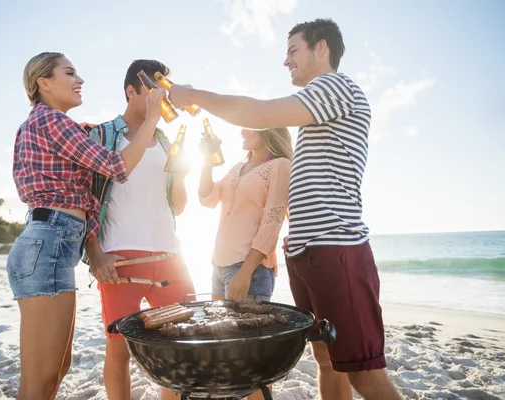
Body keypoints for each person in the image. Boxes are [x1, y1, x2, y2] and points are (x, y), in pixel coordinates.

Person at [168, 19, 402, 400]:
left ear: (320, 48)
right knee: (327, 360)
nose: (286, 61)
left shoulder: (335, 86)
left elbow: (259, 114)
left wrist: (196, 96)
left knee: (363, 372)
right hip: (307, 252)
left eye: (293, 50)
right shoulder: (318, 107)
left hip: (336, 247)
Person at [7, 52, 165, 400]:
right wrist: (152, 118)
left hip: (53, 246)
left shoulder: (51, 123)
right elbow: (116, 167)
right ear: (43, 83)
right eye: (69, 73)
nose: (80, 80)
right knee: (40, 380)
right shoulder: (51, 120)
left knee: (55, 371)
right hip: (47, 245)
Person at [82, 59, 196, 400]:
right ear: (131, 92)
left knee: (178, 348)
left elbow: (177, 205)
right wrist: (95, 254)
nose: (163, 94)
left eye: (165, 86)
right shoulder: (101, 135)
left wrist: (182, 176)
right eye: (153, 87)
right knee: (119, 350)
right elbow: (85, 201)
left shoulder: (164, 141)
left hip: (170, 255)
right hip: (120, 259)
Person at [199, 128, 292, 304]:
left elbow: (271, 224)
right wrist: (207, 160)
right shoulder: (237, 167)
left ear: (269, 130)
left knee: (245, 331)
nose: (242, 131)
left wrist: (246, 271)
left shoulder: (280, 165)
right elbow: (208, 199)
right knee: (220, 331)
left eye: (250, 126)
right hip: (219, 264)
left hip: (249, 269)